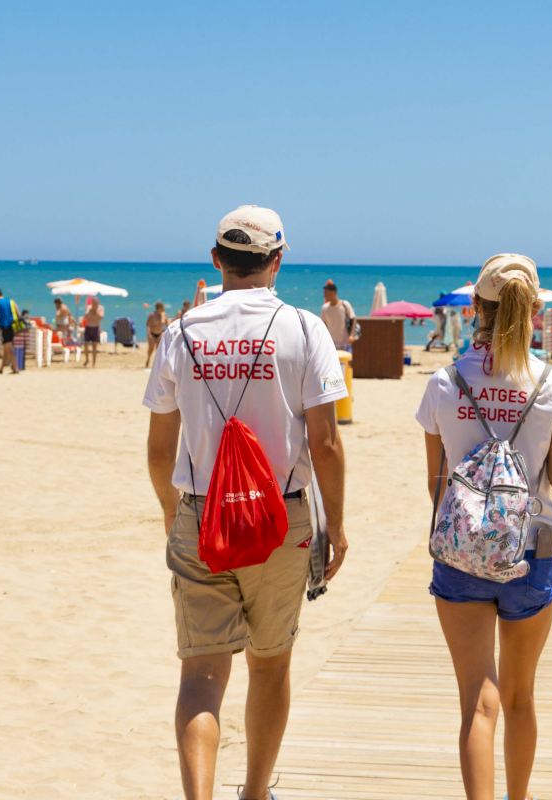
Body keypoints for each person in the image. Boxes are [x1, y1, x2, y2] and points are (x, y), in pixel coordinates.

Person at [144, 205, 348, 800]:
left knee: (202, 674)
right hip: (281, 519)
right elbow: (325, 443)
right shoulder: (303, 328)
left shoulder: (182, 332)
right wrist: (335, 525)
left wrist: (171, 512)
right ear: (278, 260)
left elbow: (159, 450)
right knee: (270, 661)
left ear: (216, 260)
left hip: (202, 513)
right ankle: (256, 793)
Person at [416, 253, 552, 800]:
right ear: (535, 310)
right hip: (531, 552)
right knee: (519, 697)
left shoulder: (444, 382)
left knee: (477, 702)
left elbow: (438, 486)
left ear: (474, 307)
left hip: (461, 554)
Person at [319, 279, 359, 351]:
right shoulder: (324, 308)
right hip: (331, 345)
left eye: (326, 293)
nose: (324, 295)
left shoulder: (345, 305)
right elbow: (323, 325)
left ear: (333, 292)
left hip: (346, 344)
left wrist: (352, 335)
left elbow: (353, 320)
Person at [0, 286, 19, 375]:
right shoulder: (11, 301)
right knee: (6, 348)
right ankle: (1, 368)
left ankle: (15, 367)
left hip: (5, 327)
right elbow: (18, 313)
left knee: (9, 348)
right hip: (12, 327)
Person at [82, 297, 105, 368]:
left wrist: (95, 312)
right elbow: (86, 317)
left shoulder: (100, 308)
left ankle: (94, 363)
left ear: (98, 302)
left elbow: (101, 317)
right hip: (88, 327)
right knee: (86, 345)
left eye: (95, 302)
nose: (94, 304)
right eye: (93, 302)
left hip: (95, 328)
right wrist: (91, 311)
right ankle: (87, 359)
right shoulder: (89, 307)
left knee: (94, 347)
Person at [145, 301, 169, 368]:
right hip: (152, 334)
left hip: (160, 334)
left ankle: (157, 364)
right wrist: (149, 334)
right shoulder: (152, 315)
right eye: (163, 307)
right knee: (151, 349)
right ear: (159, 307)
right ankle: (148, 359)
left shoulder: (164, 315)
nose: (164, 308)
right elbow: (148, 325)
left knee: (159, 350)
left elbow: (167, 325)